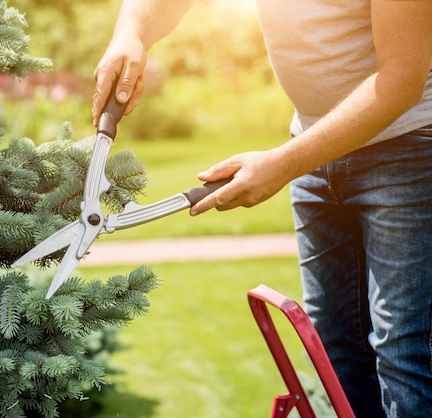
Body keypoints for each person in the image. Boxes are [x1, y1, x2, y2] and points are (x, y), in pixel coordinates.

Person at [91, 1, 432, 416]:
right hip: (312, 145)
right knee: (336, 353)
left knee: (404, 351)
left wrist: (284, 164)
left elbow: (402, 78)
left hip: (407, 152)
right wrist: (130, 34)